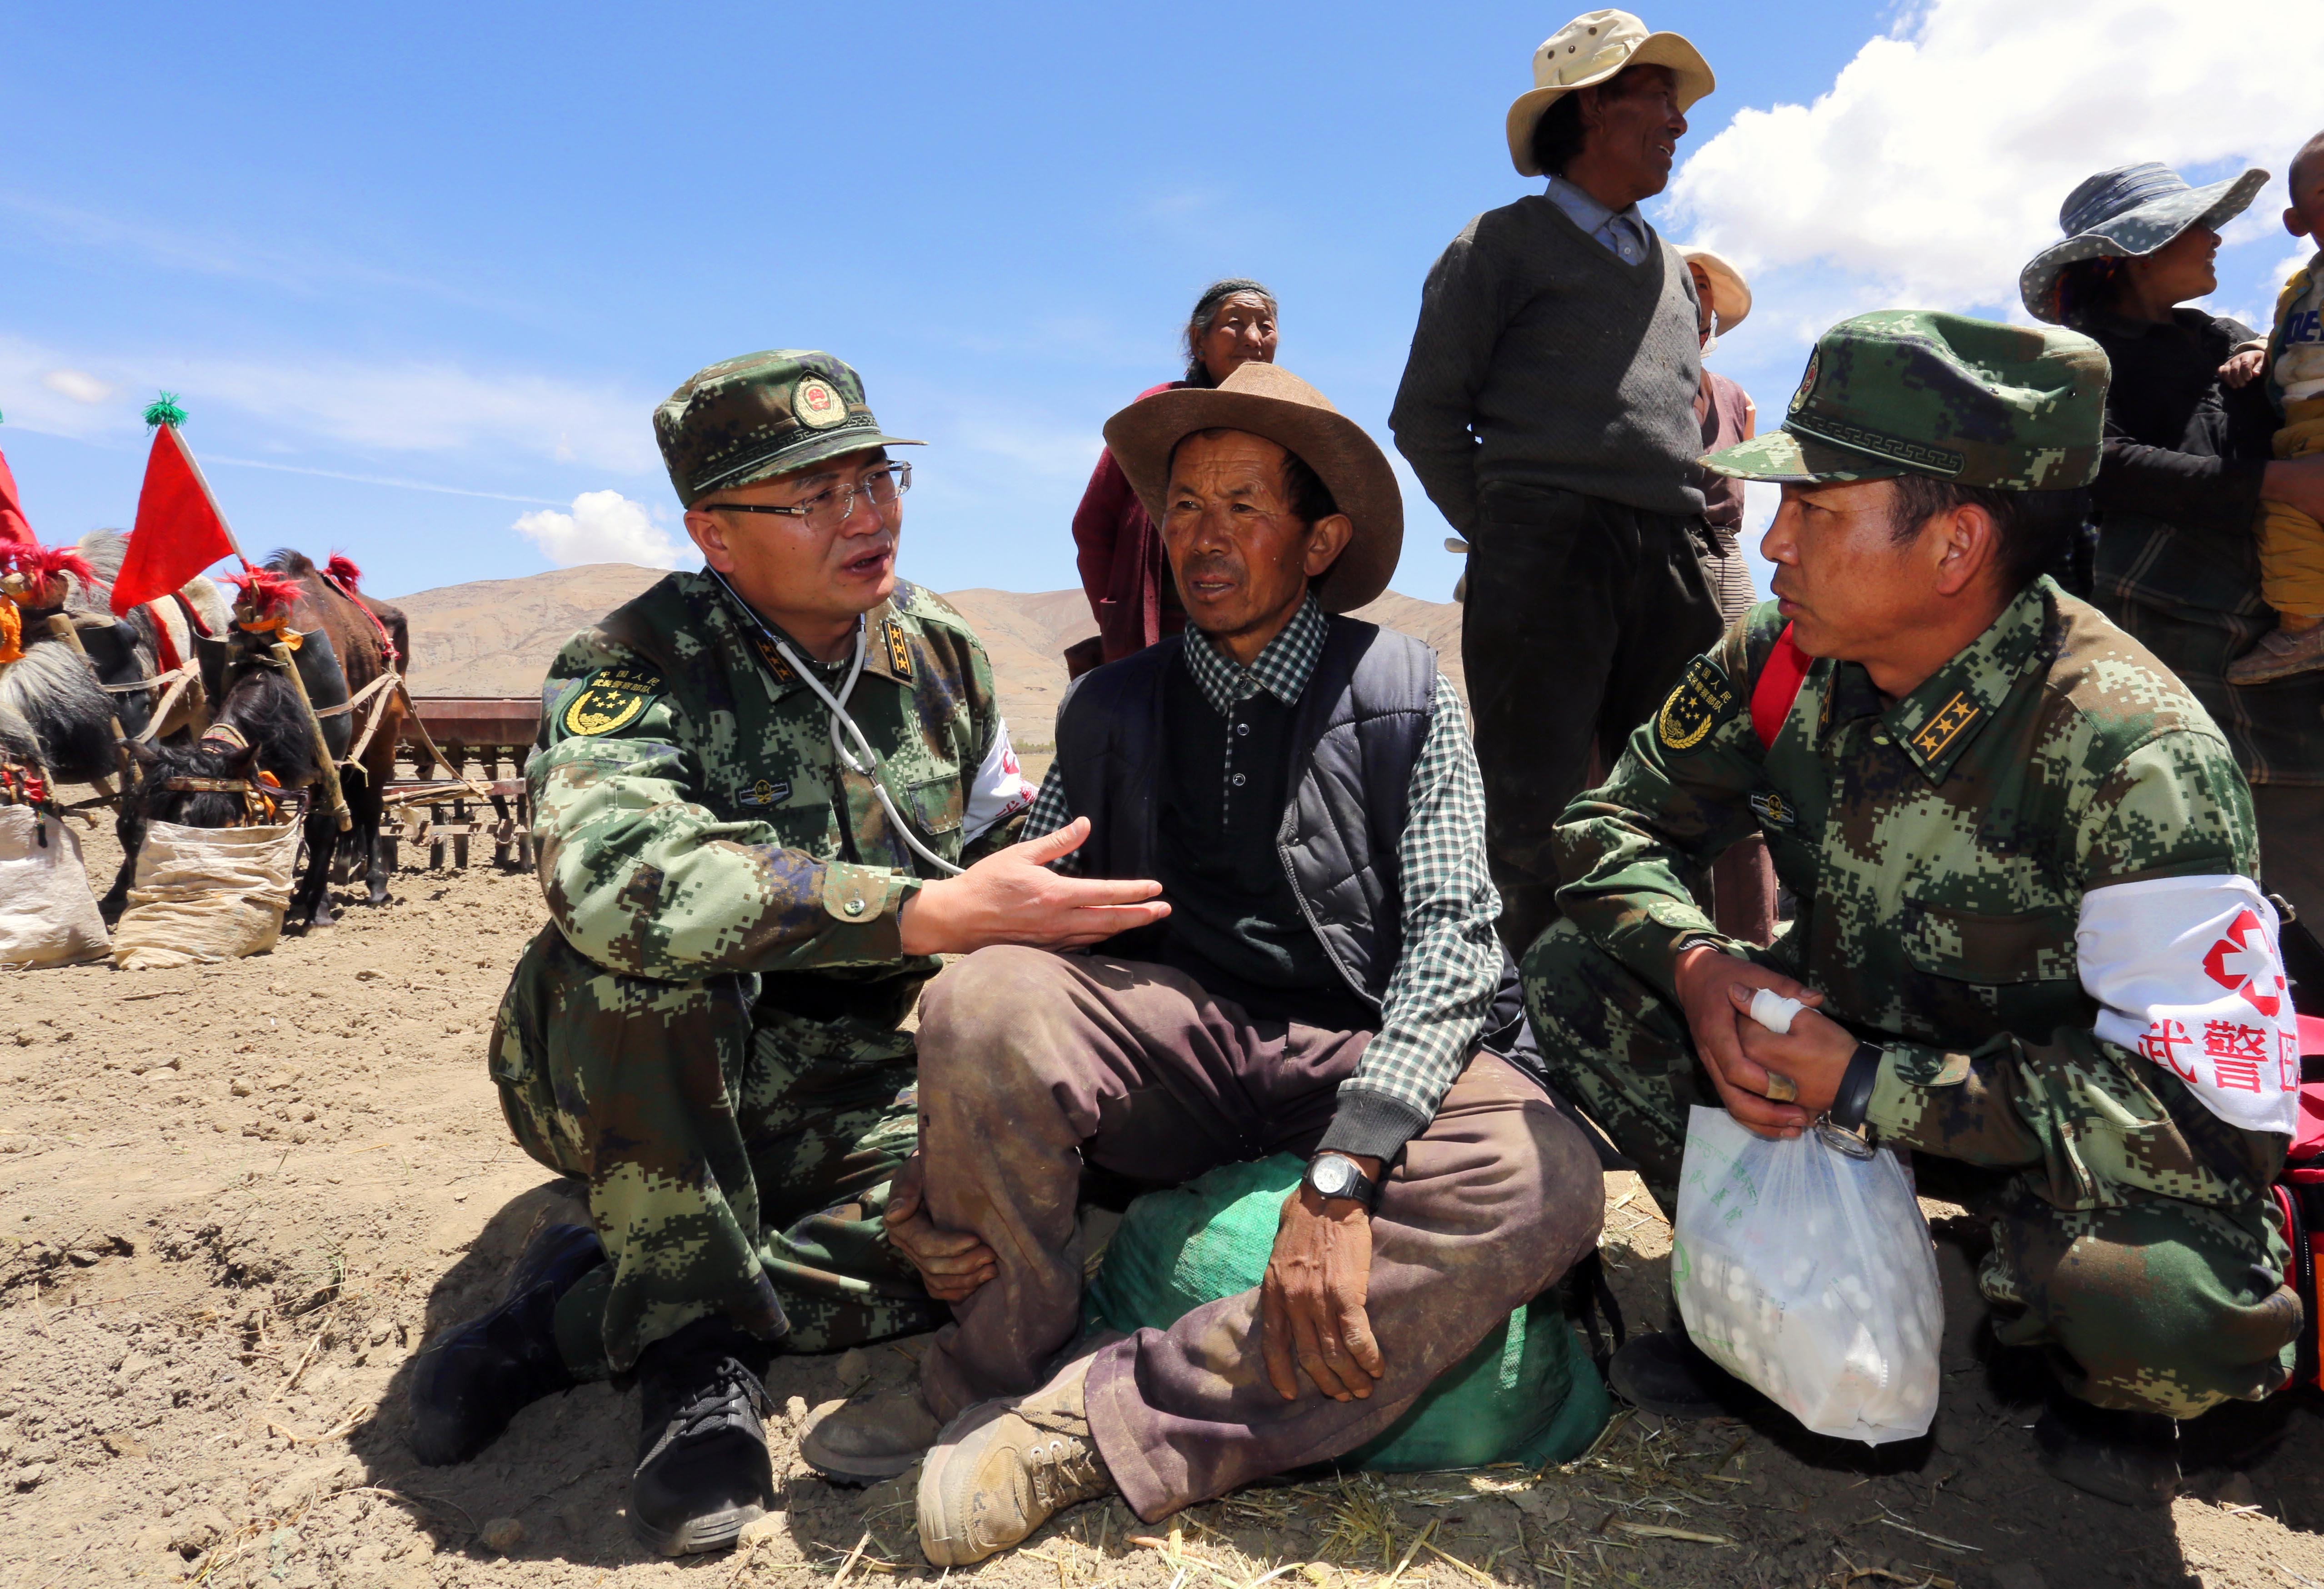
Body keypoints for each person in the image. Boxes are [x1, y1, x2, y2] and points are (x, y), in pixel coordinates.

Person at [799, 362, 1604, 1565]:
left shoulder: (1403, 693)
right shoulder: (1108, 709)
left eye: (1242, 507)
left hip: (1365, 1050)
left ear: (1320, 537)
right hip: (1178, 1048)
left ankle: (1100, 1419)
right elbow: (1033, 903)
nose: (1202, 538)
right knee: (983, 998)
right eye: (1182, 508)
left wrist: (1344, 1176)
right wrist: (938, 1132)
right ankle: (984, 1367)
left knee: (1545, 1178)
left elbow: (1452, 938)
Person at [1524, 310, 2302, 1509]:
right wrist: (1691, 963)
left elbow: (2211, 1113)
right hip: (1824, 1075)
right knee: (1580, 968)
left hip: (2028, 1138)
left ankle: (2080, 1355)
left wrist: (1869, 1084)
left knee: (2163, 1304)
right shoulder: (1781, 657)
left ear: (1953, 546)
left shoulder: (2133, 755)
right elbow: (1606, 829)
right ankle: (1772, 1270)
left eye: (1817, 510)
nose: (1773, 542)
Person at [405, 350, 1169, 1557]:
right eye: (815, 497)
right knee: (645, 968)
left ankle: (581, 1305)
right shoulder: (631, 666)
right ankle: (693, 1358)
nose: (868, 517)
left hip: (843, 1074)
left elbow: (999, 834)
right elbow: (617, 882)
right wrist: (921, 915)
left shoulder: (941, 657)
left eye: (878, 476)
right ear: (715, 533)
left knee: (1006, 1237)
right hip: (625, 1067)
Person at [1391, 9, 1724, 961]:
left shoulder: (1668, 264)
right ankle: (1517, 1015)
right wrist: (1508, 526)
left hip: (1669, 550)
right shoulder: (1500, 244)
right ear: (1589, 107)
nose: (1678, 122)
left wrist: (1693, 506)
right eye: (1657, 96)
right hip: (1546, 545)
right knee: (1530, 803)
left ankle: (1658, 1004)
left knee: (1679, 791)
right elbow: (1425, 414)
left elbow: (1660, 417)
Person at [2021, 160, 2324, 925]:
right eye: (2196, 225)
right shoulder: (2078, 361)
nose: (2216, 237)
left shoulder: (2222, 338)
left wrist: (2267, 363)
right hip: (2163, 618)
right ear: (2139, 251)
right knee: (2208, 823)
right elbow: (2108, 464)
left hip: (2272, 605)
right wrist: (2276, 485)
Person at [1067, 280, 1280, 675]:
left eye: (1265, 326)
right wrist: (1119, 615)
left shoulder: (1290, 424)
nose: (1252, 338)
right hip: (1162, 636)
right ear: (1199, 341)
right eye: (1235, 323)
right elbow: (1093, 525)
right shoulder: (1156, 414)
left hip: (1261, 640)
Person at [1679, 243, 1778, 946]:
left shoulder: (1736, 396)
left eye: (1702, 306)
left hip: (1725, 560)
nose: (1695, 316)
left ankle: (1753, 934)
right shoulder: (1624, 391)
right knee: (1662, 734)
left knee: (1748, 739)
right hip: (1652, 555)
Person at [2229, 133, 2324, 683]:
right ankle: (2306, 626)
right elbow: (2290, 339)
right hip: (2297, 430)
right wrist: (2259, 349)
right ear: (2296, 222)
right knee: (2285, 524)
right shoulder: (2298, 288)